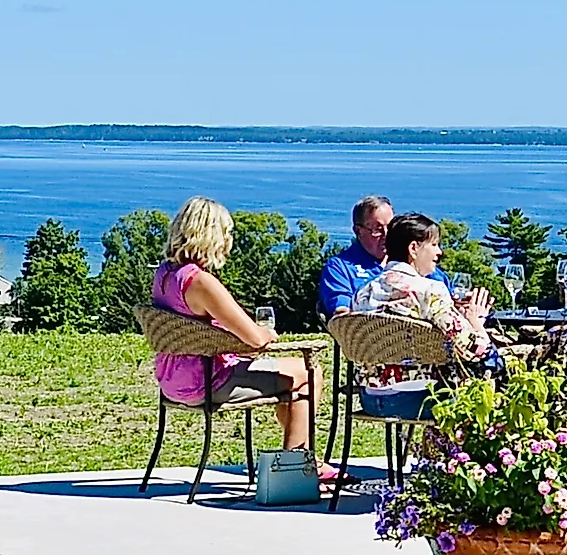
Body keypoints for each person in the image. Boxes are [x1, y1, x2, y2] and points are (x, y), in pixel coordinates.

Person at [150, 196, 330, 477]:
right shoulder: (200, 282)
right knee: (309, 373)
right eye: (227, 233)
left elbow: (198, 328)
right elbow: (254, 339)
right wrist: (267, 333)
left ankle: (298, 457)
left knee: (293, 383)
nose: (229, 240)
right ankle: (296, 469)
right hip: (207, 382)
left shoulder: (165, 274)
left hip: (172, 379)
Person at [357, 213, 495, 363]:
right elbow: (474, 350)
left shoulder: (364, 293)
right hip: (425, 383)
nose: (439, 252)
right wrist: (475, 320)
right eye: (434, 245)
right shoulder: (431, 291)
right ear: (414, 248)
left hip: (371, 384)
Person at [318, 195, 395, 318]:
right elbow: (342, 310)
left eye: (391, 228)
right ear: (358, 231)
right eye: (377, 229)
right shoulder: (340, 267)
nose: (386, 235)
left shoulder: (410, 259)